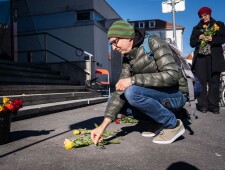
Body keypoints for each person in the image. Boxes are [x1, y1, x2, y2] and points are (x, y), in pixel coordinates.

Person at [91, 20, 188, 145]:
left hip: (176, 95)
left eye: (114, 42)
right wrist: (102, 127)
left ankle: (173, 124)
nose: (114, 48)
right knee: (115, 100)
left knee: (132, 93)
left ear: (127, 36)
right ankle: (157, 122)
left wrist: (133, 80)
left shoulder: (154, 42)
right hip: (158, 95)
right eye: (111, 45)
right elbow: (120, 90)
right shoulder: (128, 58)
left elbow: (172, 76)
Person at [190, 7, 225, 114]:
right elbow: (191, 43)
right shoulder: (196, 28)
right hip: (201, 59)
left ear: (209, 14)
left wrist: (212, 39)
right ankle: (202, 105)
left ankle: (214, 105)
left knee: (214, 81)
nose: (203, 17)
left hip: (214, 57)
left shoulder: (218, 25)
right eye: (201, 16)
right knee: (201, 82)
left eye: (205, 15)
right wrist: (198, 38)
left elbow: (223, 38)